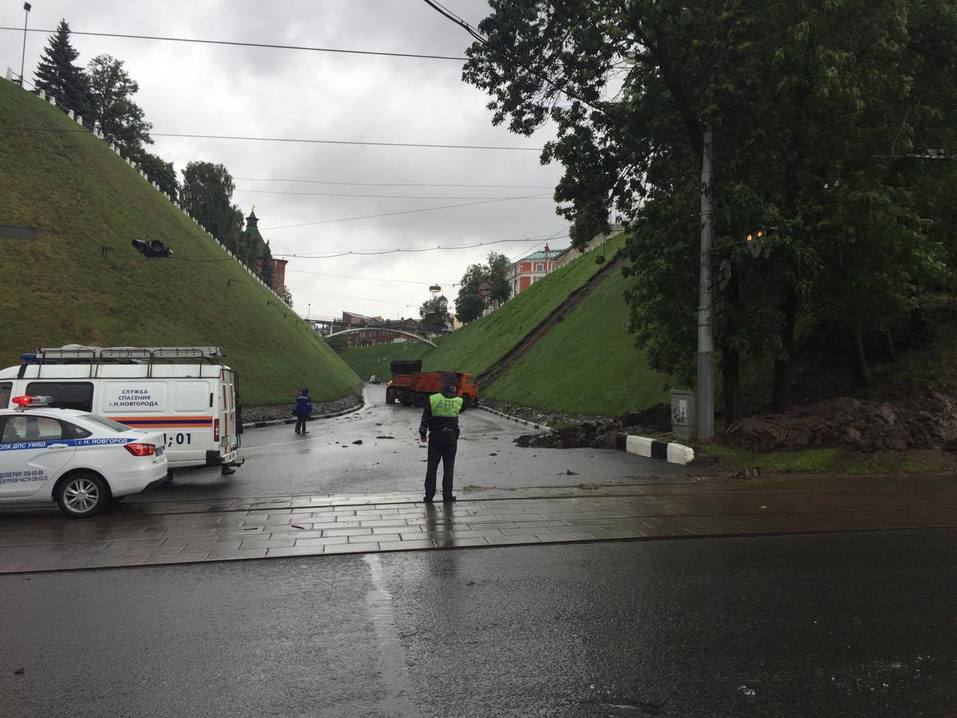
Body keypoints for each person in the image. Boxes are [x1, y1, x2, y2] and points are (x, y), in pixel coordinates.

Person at [418, 374, 463, 503]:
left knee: (432, 467)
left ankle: (429, 496)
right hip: (451, 437)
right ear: (453, 388)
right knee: (449, 468)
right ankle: (447, 495)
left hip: (436, 436)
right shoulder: (458, 401)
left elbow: (425, 418)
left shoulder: (433, 399)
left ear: (442, 386)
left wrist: (422, 433)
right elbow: (455, 418)